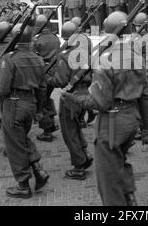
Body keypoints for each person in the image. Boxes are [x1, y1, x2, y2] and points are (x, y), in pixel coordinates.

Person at [63, 11, 148, 206]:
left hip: (112, 121)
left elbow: (100, 102)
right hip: (132, 118)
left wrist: (75, 99)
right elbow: (146, 95)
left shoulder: (105, 59)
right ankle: (129, 197)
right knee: (120, 162)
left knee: (107, 178)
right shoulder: (135, 55)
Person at [0, 24, 49, 199]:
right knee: (20, 138)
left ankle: (23, 185)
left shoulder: (9, 59)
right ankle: (37, 168)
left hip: (14, 104)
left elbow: (2, 89)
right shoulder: (38, 59)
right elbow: (42, 88)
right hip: (31, 103)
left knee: (14, 146)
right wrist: (40, 110)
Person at [47, 21, 93, 180]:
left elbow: (60, 80)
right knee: (76, 127)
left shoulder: (64, 55)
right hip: (85, 93)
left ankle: (79, 166)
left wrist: (49, 80)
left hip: (69, 96)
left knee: (69, 131)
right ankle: (84, 154)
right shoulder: (86, 53)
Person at [33, 15, 61, 142]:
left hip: (42, 72)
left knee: (41, 101)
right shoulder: (55, 38)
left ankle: (47, 131)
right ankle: (52, 122)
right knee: (47, 98)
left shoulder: (37, 40)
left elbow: (34, 58)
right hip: (54, 72)